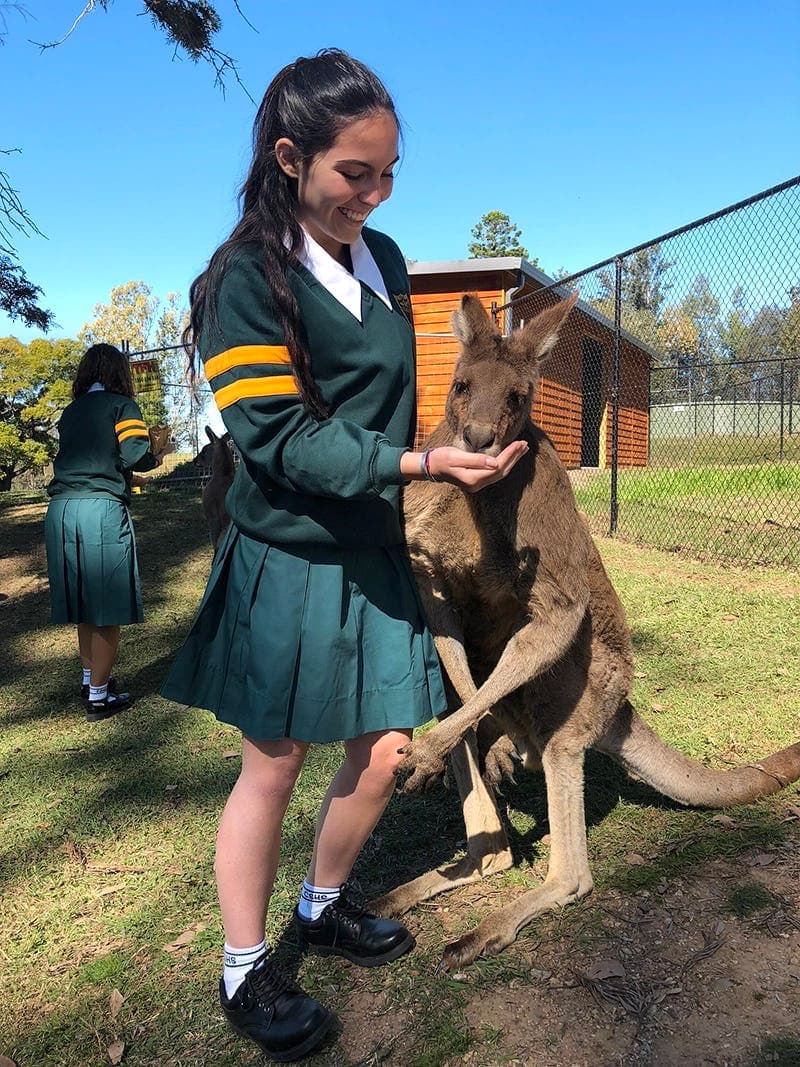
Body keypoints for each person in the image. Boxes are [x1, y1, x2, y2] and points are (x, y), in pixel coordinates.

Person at [160, 49, 528, 1062]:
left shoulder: (387, 258)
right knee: (270, 765)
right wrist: (418, 461)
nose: (373, 193)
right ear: (290, 158)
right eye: (353, 173)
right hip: (289, 552)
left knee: (379, 753)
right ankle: (244, 965)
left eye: (388, 172)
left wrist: (439, 468)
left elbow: (386, 396)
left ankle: (320, 904)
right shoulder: (243, 280)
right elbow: (276, 437)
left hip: (372, 543)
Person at [45, 343, 162, 722]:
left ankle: (90, 678)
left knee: (82, 603)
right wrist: (156, 452)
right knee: (107, 605)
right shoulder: (121, 406)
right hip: (100, 509)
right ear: (119, 372)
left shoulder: (70, 412)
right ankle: (98, 696)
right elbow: (133, 453)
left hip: (62, 510)